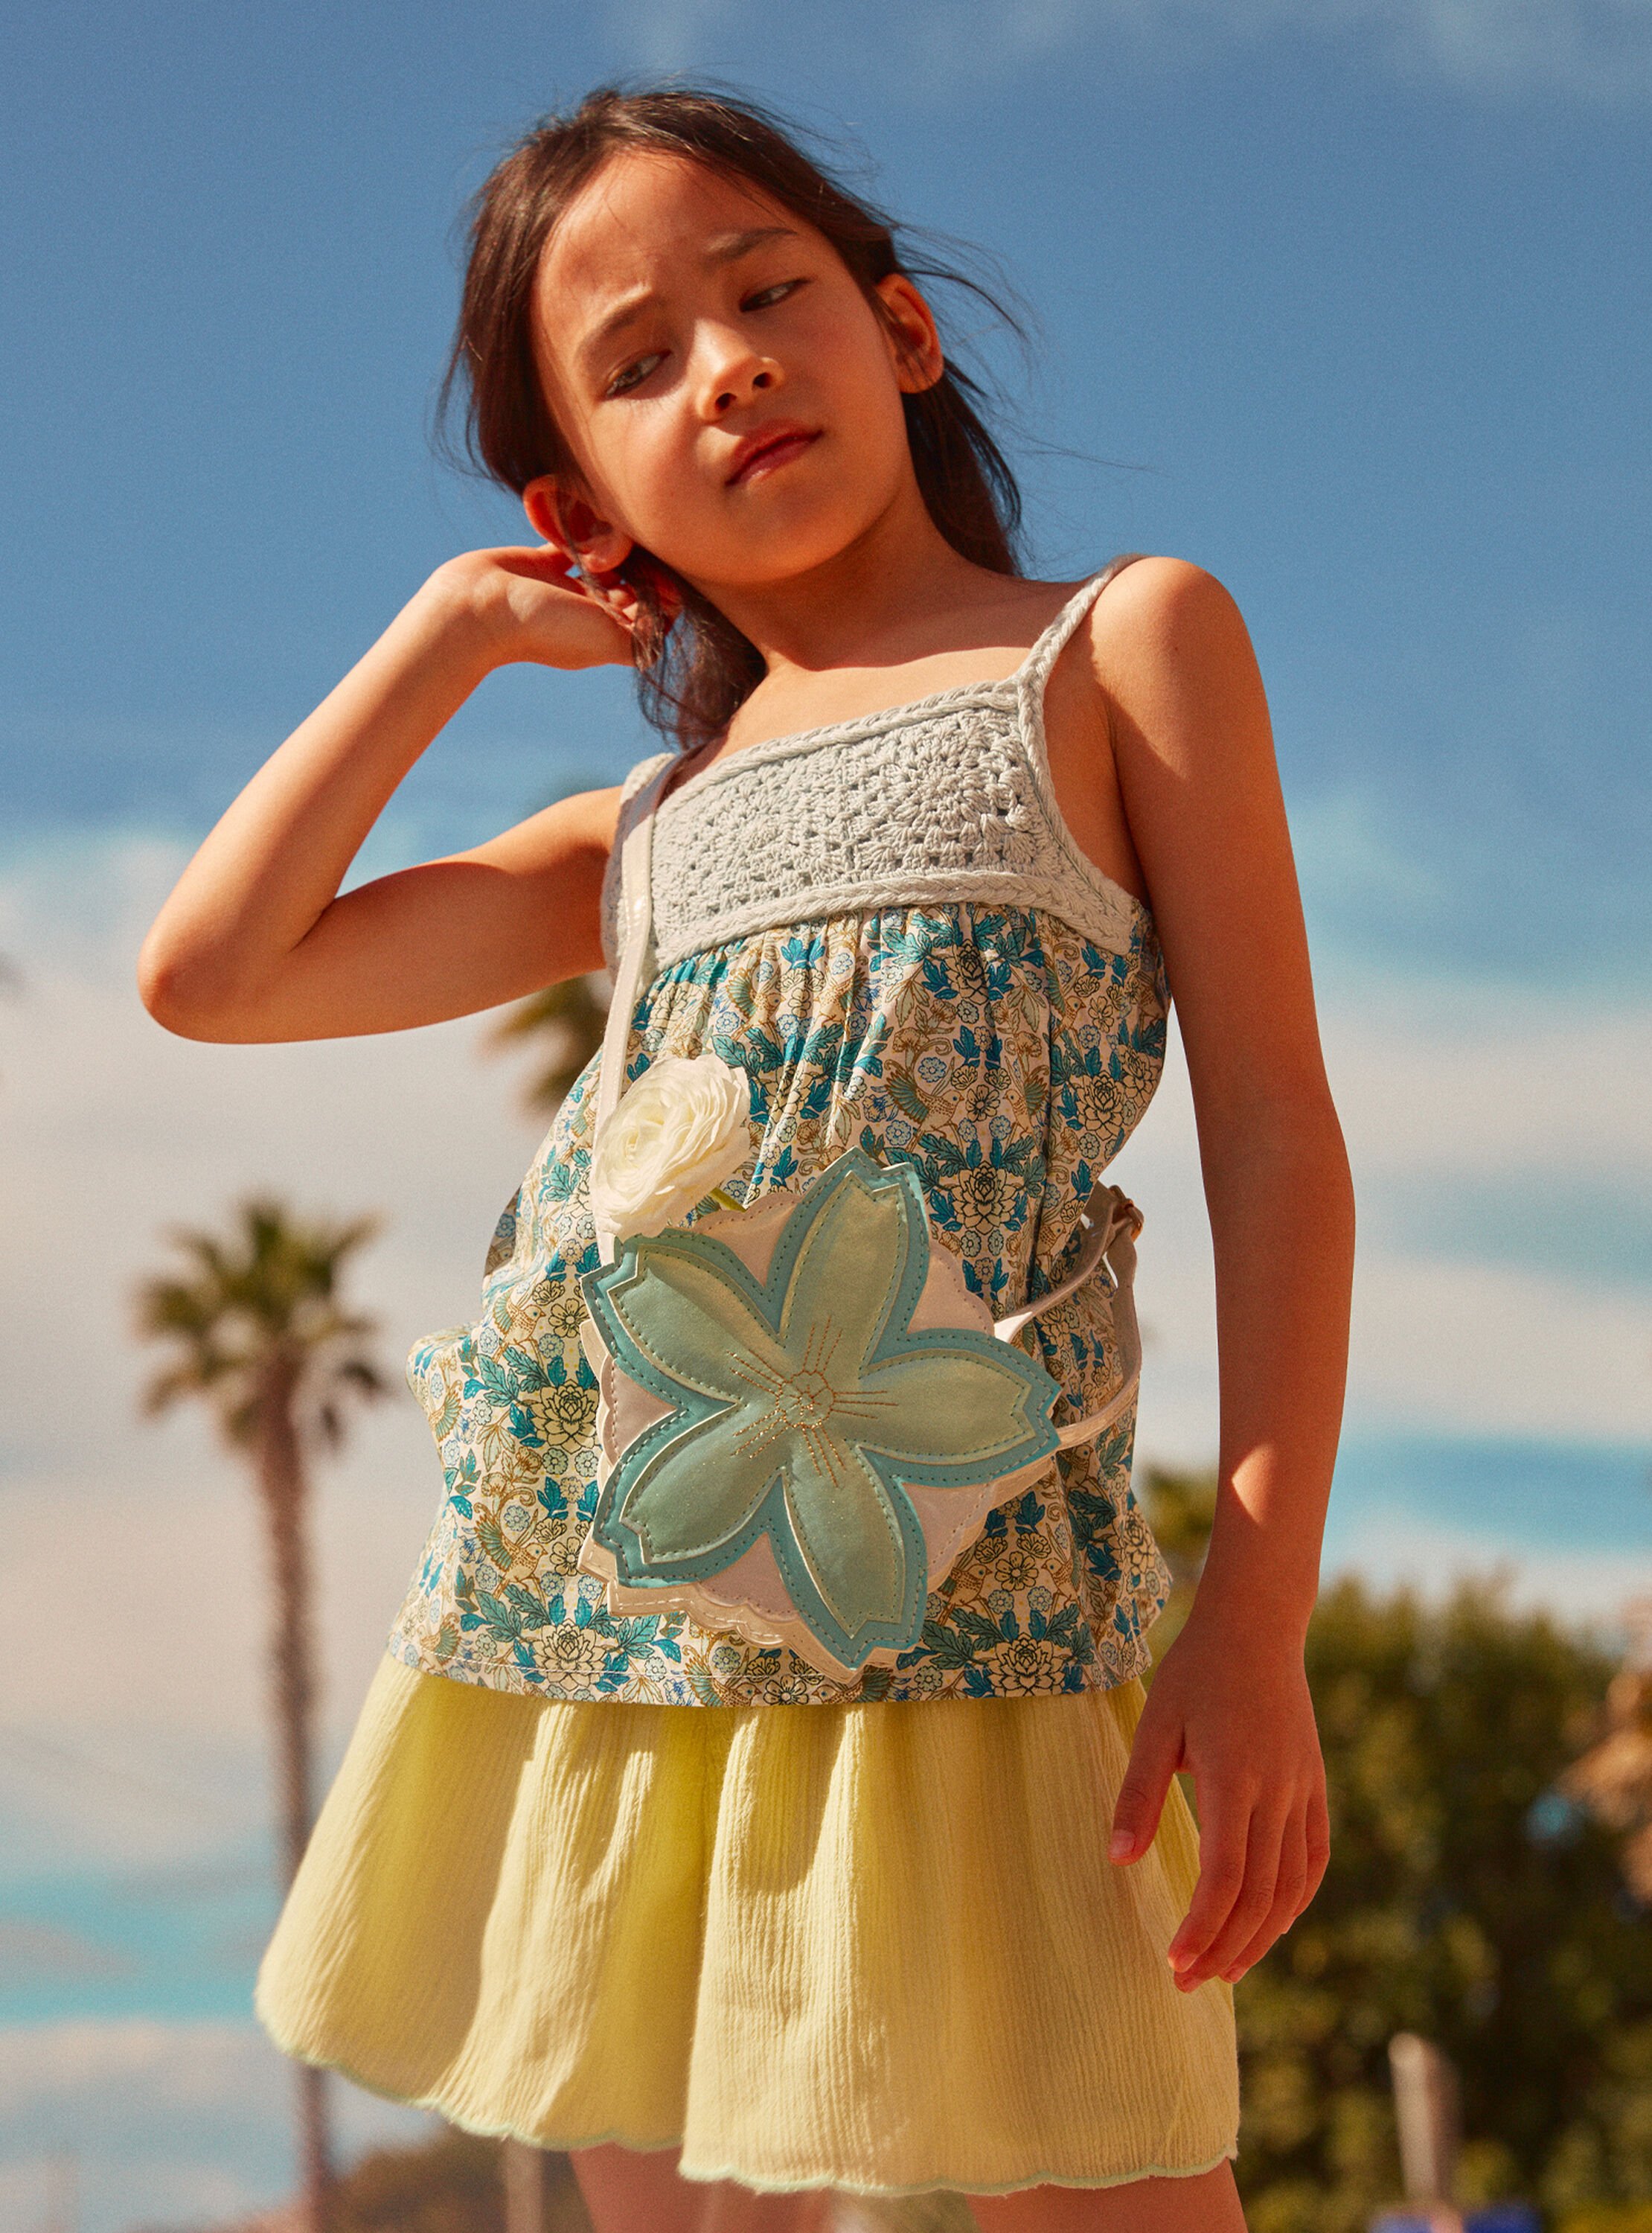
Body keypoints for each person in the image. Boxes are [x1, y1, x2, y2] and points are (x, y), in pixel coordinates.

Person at [137, 83, 1354, 2233]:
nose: (725, 366)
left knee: (1122, 2172)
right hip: (625, 1610)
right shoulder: (636, 834)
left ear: (902, 331)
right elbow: (213, 976)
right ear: (576, 503)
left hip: (987, 1583)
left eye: (767, 293)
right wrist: (448, 636)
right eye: (634, 363)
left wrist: (1255, 1614)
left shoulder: (1118, 646)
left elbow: (1271, 1130)